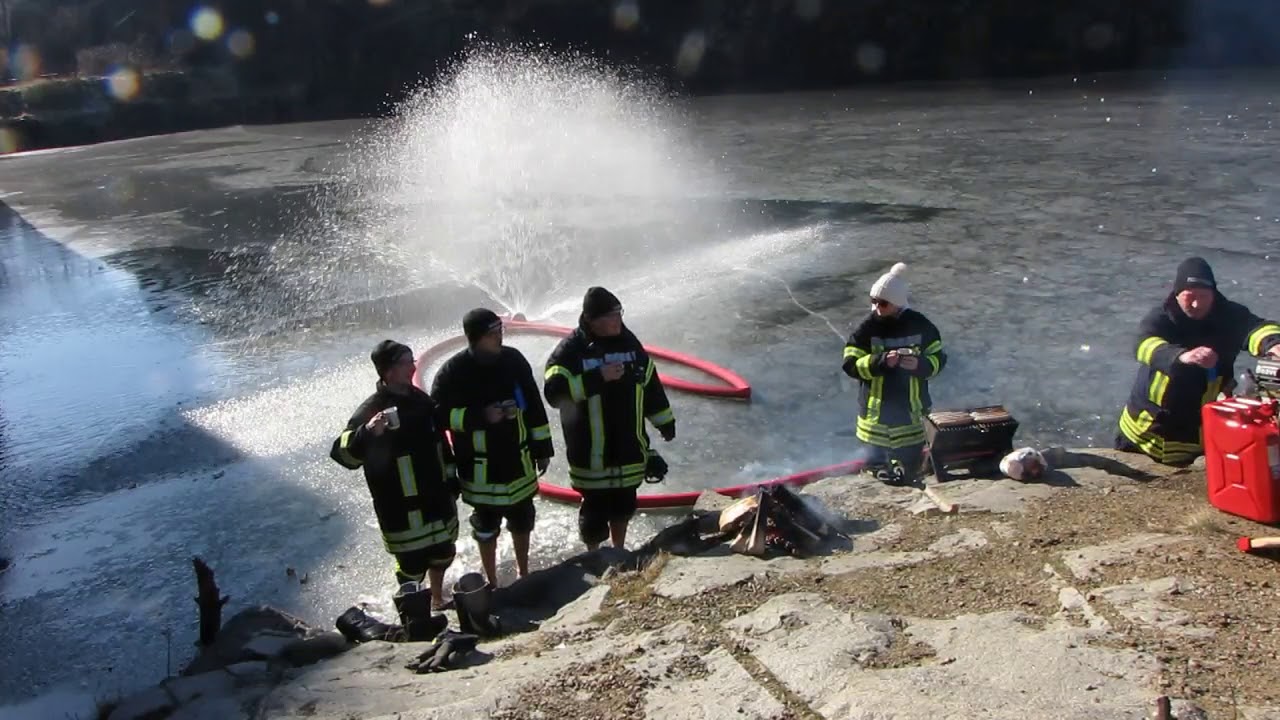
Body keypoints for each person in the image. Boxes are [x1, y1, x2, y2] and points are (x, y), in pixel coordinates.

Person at [331, 340, 459, 610]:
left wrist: (451, 479)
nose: (413, 366)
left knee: (443, 553)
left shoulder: (421, 401)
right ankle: (413, 612)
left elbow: (441, 444)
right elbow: (342, 455)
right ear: (389, 372)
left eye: (413, 360)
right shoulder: (371, 410)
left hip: (435, 498)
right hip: (401, 507)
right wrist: (367, 432)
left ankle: (437, 599)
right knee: (411, 566)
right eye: (406, 361)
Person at [544, 287, 676, 550]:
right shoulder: (571, 351)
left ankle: (618, 553)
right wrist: (597, 378)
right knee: (594, 514)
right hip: (591, 454)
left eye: (619, 313)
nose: (617, 320)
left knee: (624, 505)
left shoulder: (630, 344)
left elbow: (649, 384)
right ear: (591, 320)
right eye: (609, 316)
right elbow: (554, 393)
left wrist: (665, 422)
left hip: (628, 447)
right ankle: (593, 556)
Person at [430, 308, 554, 588]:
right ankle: (492, 580)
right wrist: (479, 417)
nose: (499, 336)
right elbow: (436, 416)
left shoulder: (513, 360)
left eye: (501, 331)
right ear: (475, 338)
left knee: (523, 521)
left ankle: (524, 573)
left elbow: (533, 404)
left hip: (518, 461)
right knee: (486, 528)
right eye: (492, 333)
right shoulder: (454, 371)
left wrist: (542, 446)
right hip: (480, 469)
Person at [1116, 257, 1280, 466]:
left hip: (1193, 433)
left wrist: (1272, 345)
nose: (1196, 304)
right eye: (1189, 296)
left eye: (1203, 296)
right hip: (1140, 434)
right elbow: (1142, 344)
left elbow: (1258, 328)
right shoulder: (1162, 316)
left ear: (1214, 294)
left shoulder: (1229, 316)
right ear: (1177, 294)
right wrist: (1180, 356)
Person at [842, 262, 946, 484]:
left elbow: (939, 359)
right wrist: (880, 362)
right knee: (875, 464)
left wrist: (919, 365)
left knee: (910, 464)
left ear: (898, 304)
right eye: (873, 301)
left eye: (883, 303)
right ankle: (880, 471)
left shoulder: (921, 325)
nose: (877, 307)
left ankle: (908, 474)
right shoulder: (866, 329)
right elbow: (850, 364)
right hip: (875, 416)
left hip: (911, 412)